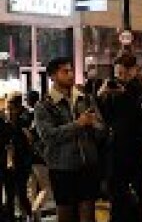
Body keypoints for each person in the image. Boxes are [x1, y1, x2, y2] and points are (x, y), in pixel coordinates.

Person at [33, 57, 105, 222]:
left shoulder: (84, 99)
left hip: (87, 165)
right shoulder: (44, 105)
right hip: (62, 169)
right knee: (66, 214)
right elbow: (49, 136)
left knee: (88, 214)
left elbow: (102, 131)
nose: (70, 75)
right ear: (52, 76)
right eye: (65, 72)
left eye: (71, 70)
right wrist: (78, 124)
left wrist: (95, 124)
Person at [98, 53, 142, 222]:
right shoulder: (112, 94)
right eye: (118, 75)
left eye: (124, 74)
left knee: (137, 196)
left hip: (136, 150)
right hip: (116, 151)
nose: (121, 79)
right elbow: (104, 119)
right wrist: (102, 95)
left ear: (134, 71)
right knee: (117, 195)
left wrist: (127, 94)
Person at [6, 94, 35, 222]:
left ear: (16, 105)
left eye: (11, 107)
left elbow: (29, 137)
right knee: (17, 191)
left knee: (21, 191)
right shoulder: (17, 117)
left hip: (23, 159)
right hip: (17, 158)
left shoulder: (23, 117)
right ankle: (24, 215)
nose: (9, 110)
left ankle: (29, 214)